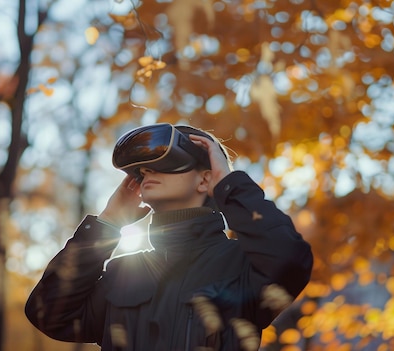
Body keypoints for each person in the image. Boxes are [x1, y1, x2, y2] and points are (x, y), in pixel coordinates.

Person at [25, 123, 313, 350]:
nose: (149, 171)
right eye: (144, 167)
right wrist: (107, 224)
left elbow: (289, 259)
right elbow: (48, 312)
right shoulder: (123, 273)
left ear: (205, 180)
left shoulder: (242, 267)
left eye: (169, 160)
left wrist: (229, 185)